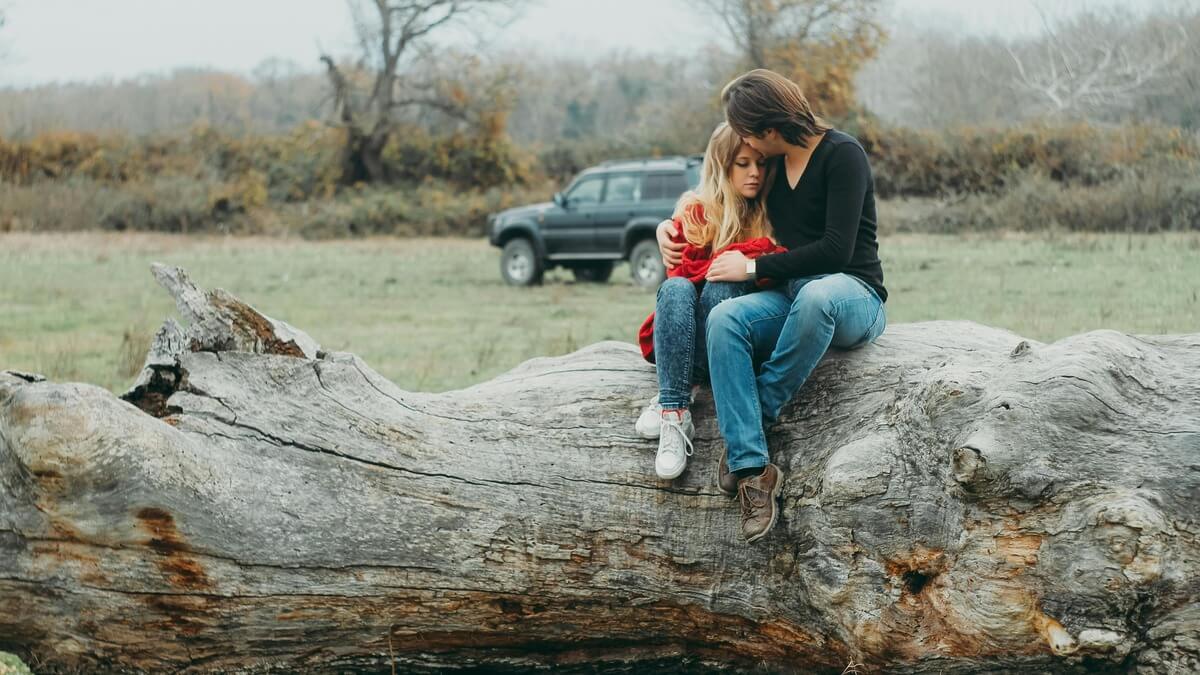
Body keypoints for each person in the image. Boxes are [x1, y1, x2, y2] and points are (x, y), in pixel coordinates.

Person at [664, 69, 888, 543]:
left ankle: (754, 418)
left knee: (816, 294)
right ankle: (752, 469)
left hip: (851, 294)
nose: (746, 144)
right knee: (725, 319)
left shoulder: (842, 154)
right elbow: (716, 198)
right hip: (789, 295)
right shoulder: (770, 169)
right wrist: (666, 227)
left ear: (768, 128)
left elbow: (836, 250)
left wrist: (750, 271)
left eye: (747, 131)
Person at [635, 122, 786, 481]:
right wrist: (666, 230)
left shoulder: (771, 213)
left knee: (720, 288)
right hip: (686, 337)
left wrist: (744, 264)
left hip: (733, 344)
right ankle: (674, 413)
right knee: (675, 290)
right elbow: (679, 280)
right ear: (721, 166)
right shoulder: (696, 212)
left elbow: (781, 266)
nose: (754, 173)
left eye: (761, 164)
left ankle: (676, 392)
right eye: (743, 164)